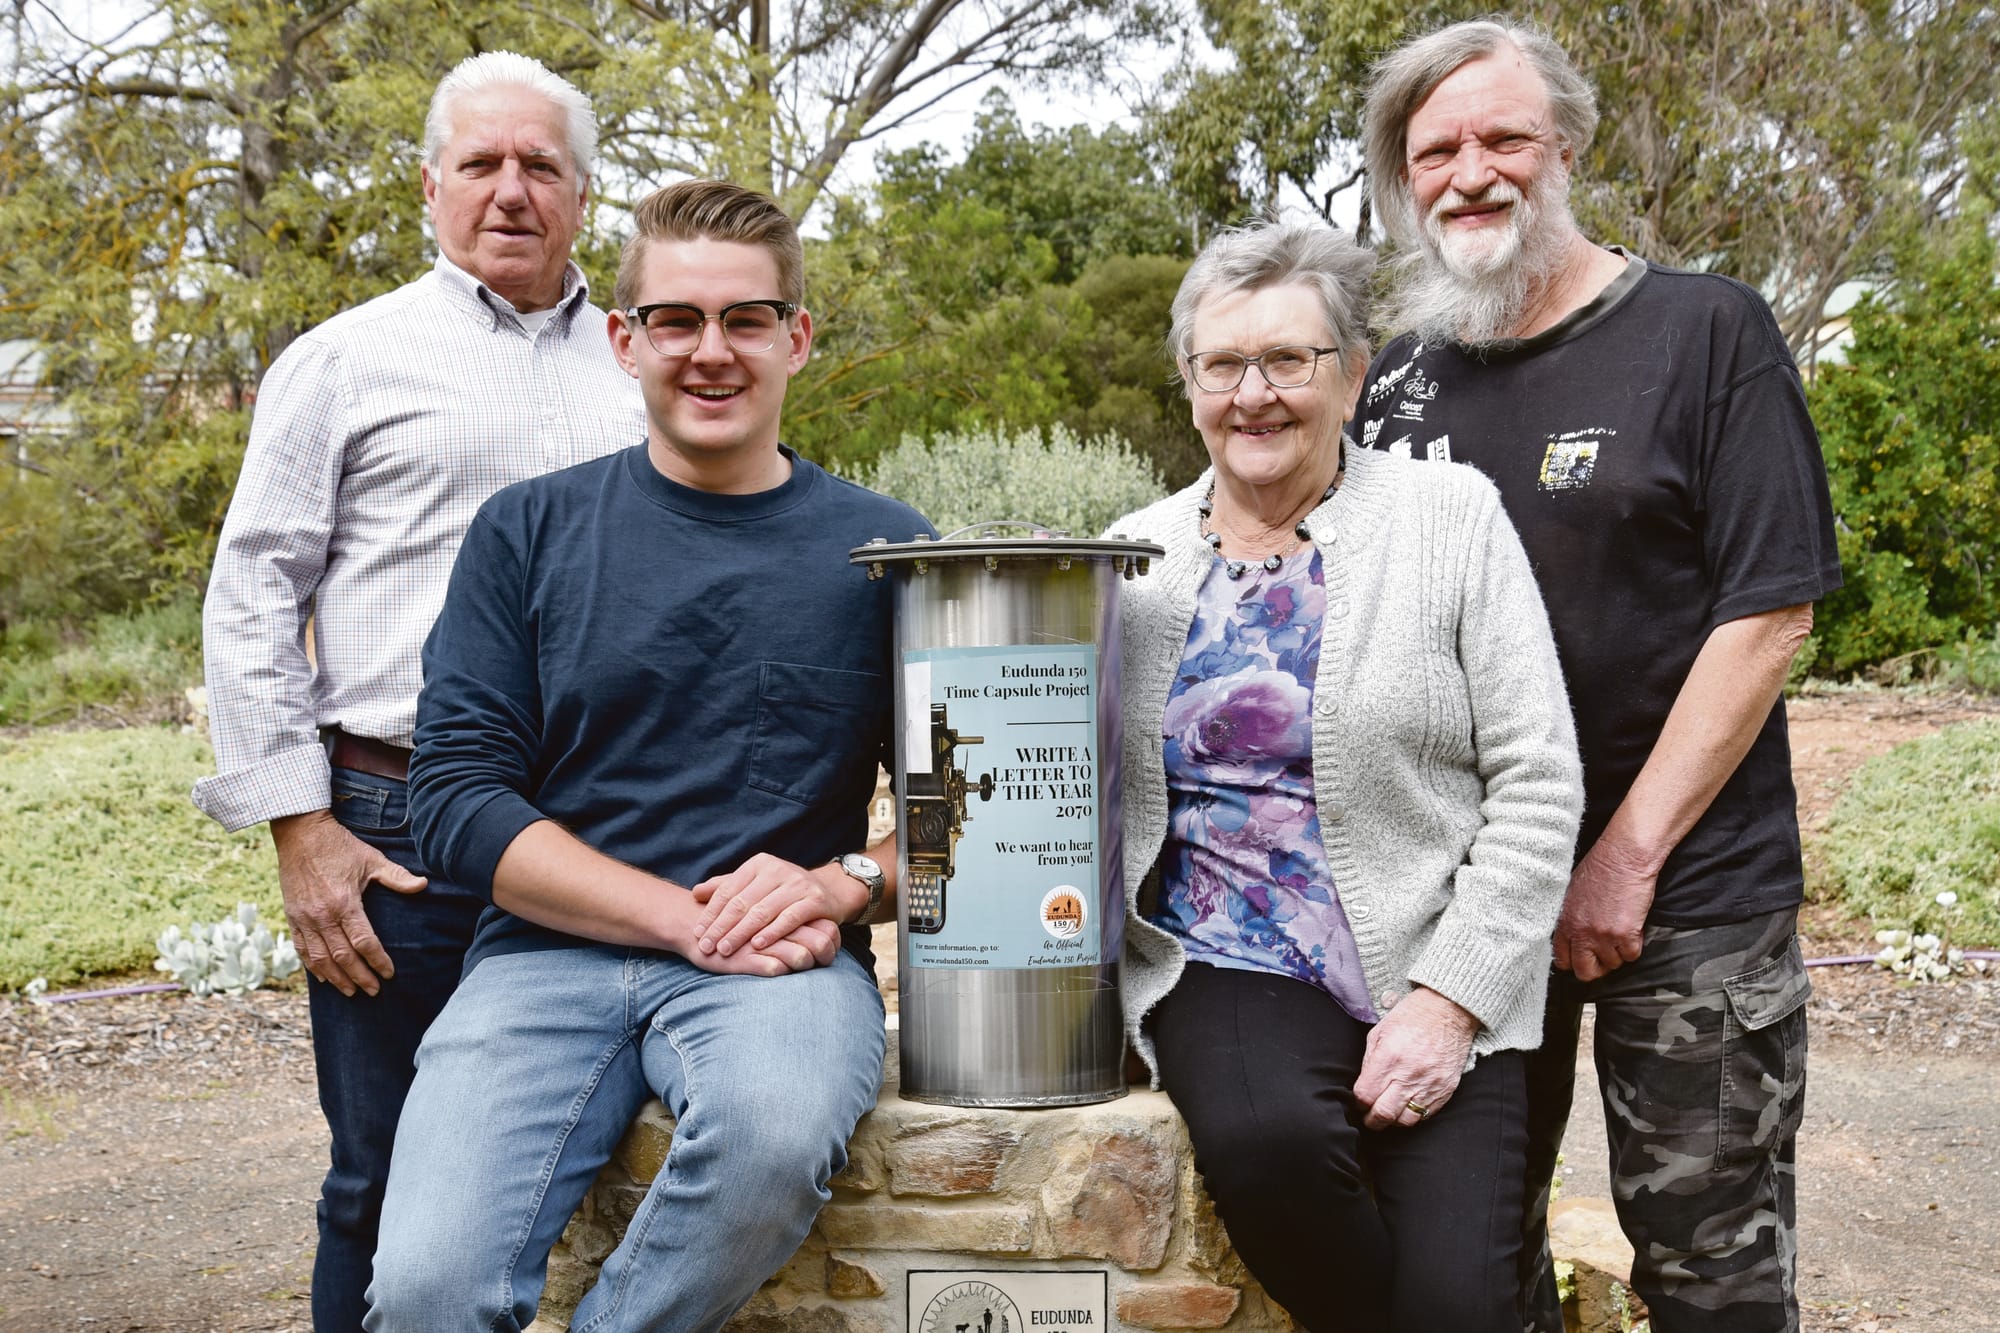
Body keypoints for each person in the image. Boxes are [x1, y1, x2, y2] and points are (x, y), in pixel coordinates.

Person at [362, 179, 930, 1333]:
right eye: (675, 320)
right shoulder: (525, 533)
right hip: (540, 960)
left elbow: (966, 809)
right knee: (424, 1289)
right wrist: (677, 918)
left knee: (771, 1144)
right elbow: (457, 800)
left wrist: (838, 884)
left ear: (796, 339)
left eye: (745, 319)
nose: (709, 351)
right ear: (624, 340)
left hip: (778, 969)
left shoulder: (886, 553)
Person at [1353, 19, 1844, 1333]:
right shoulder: (1396, 379)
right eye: (1437, 149)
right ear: (1405, 180)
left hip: (1683, 901)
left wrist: (1621, 859)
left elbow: (1769, 611)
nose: (1472, 172)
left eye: (1503, 137)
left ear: (1563, 144)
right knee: (1470, 1264)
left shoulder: (1704, 332)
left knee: (1707, 1274)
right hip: (1469, 921)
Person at [193, 51, 640, 1330]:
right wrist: (301, 828)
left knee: (585, 1165)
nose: (511, 190)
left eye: (540, 165)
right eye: (483, 164)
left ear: (582, 194)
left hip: (606, 823)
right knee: (380, 1176)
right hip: (392, 834)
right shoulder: (344, 361)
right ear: (430, 186)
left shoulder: (641, 365)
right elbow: (251, 594)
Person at [1108, 219, 1583, 1331]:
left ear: (1355, 372)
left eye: (1289, 359)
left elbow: (1536, 777)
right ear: (1187, 385)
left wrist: (1451, 999)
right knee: (1270, 1146)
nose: (1253, 393)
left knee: (1462, 1299)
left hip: (1436, 952)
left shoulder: (1448, 517)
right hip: (1226, 954)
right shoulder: (1131, 557)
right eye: (1221, 364)